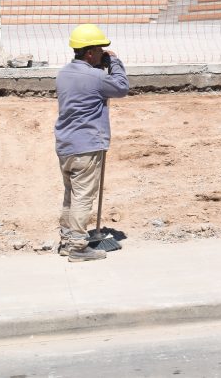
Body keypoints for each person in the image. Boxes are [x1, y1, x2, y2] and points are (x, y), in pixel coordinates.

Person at [55, 24, 129, 262]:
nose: (102, 53)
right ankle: (78, 246)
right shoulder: (96, 77)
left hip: (66, 143)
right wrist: (114, 63)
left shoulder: (64, 73)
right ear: (89, 52)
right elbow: (121, 87)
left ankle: (67, 240)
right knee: (83, 196)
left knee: (70, 195)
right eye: (99, 50)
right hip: (86, 145)